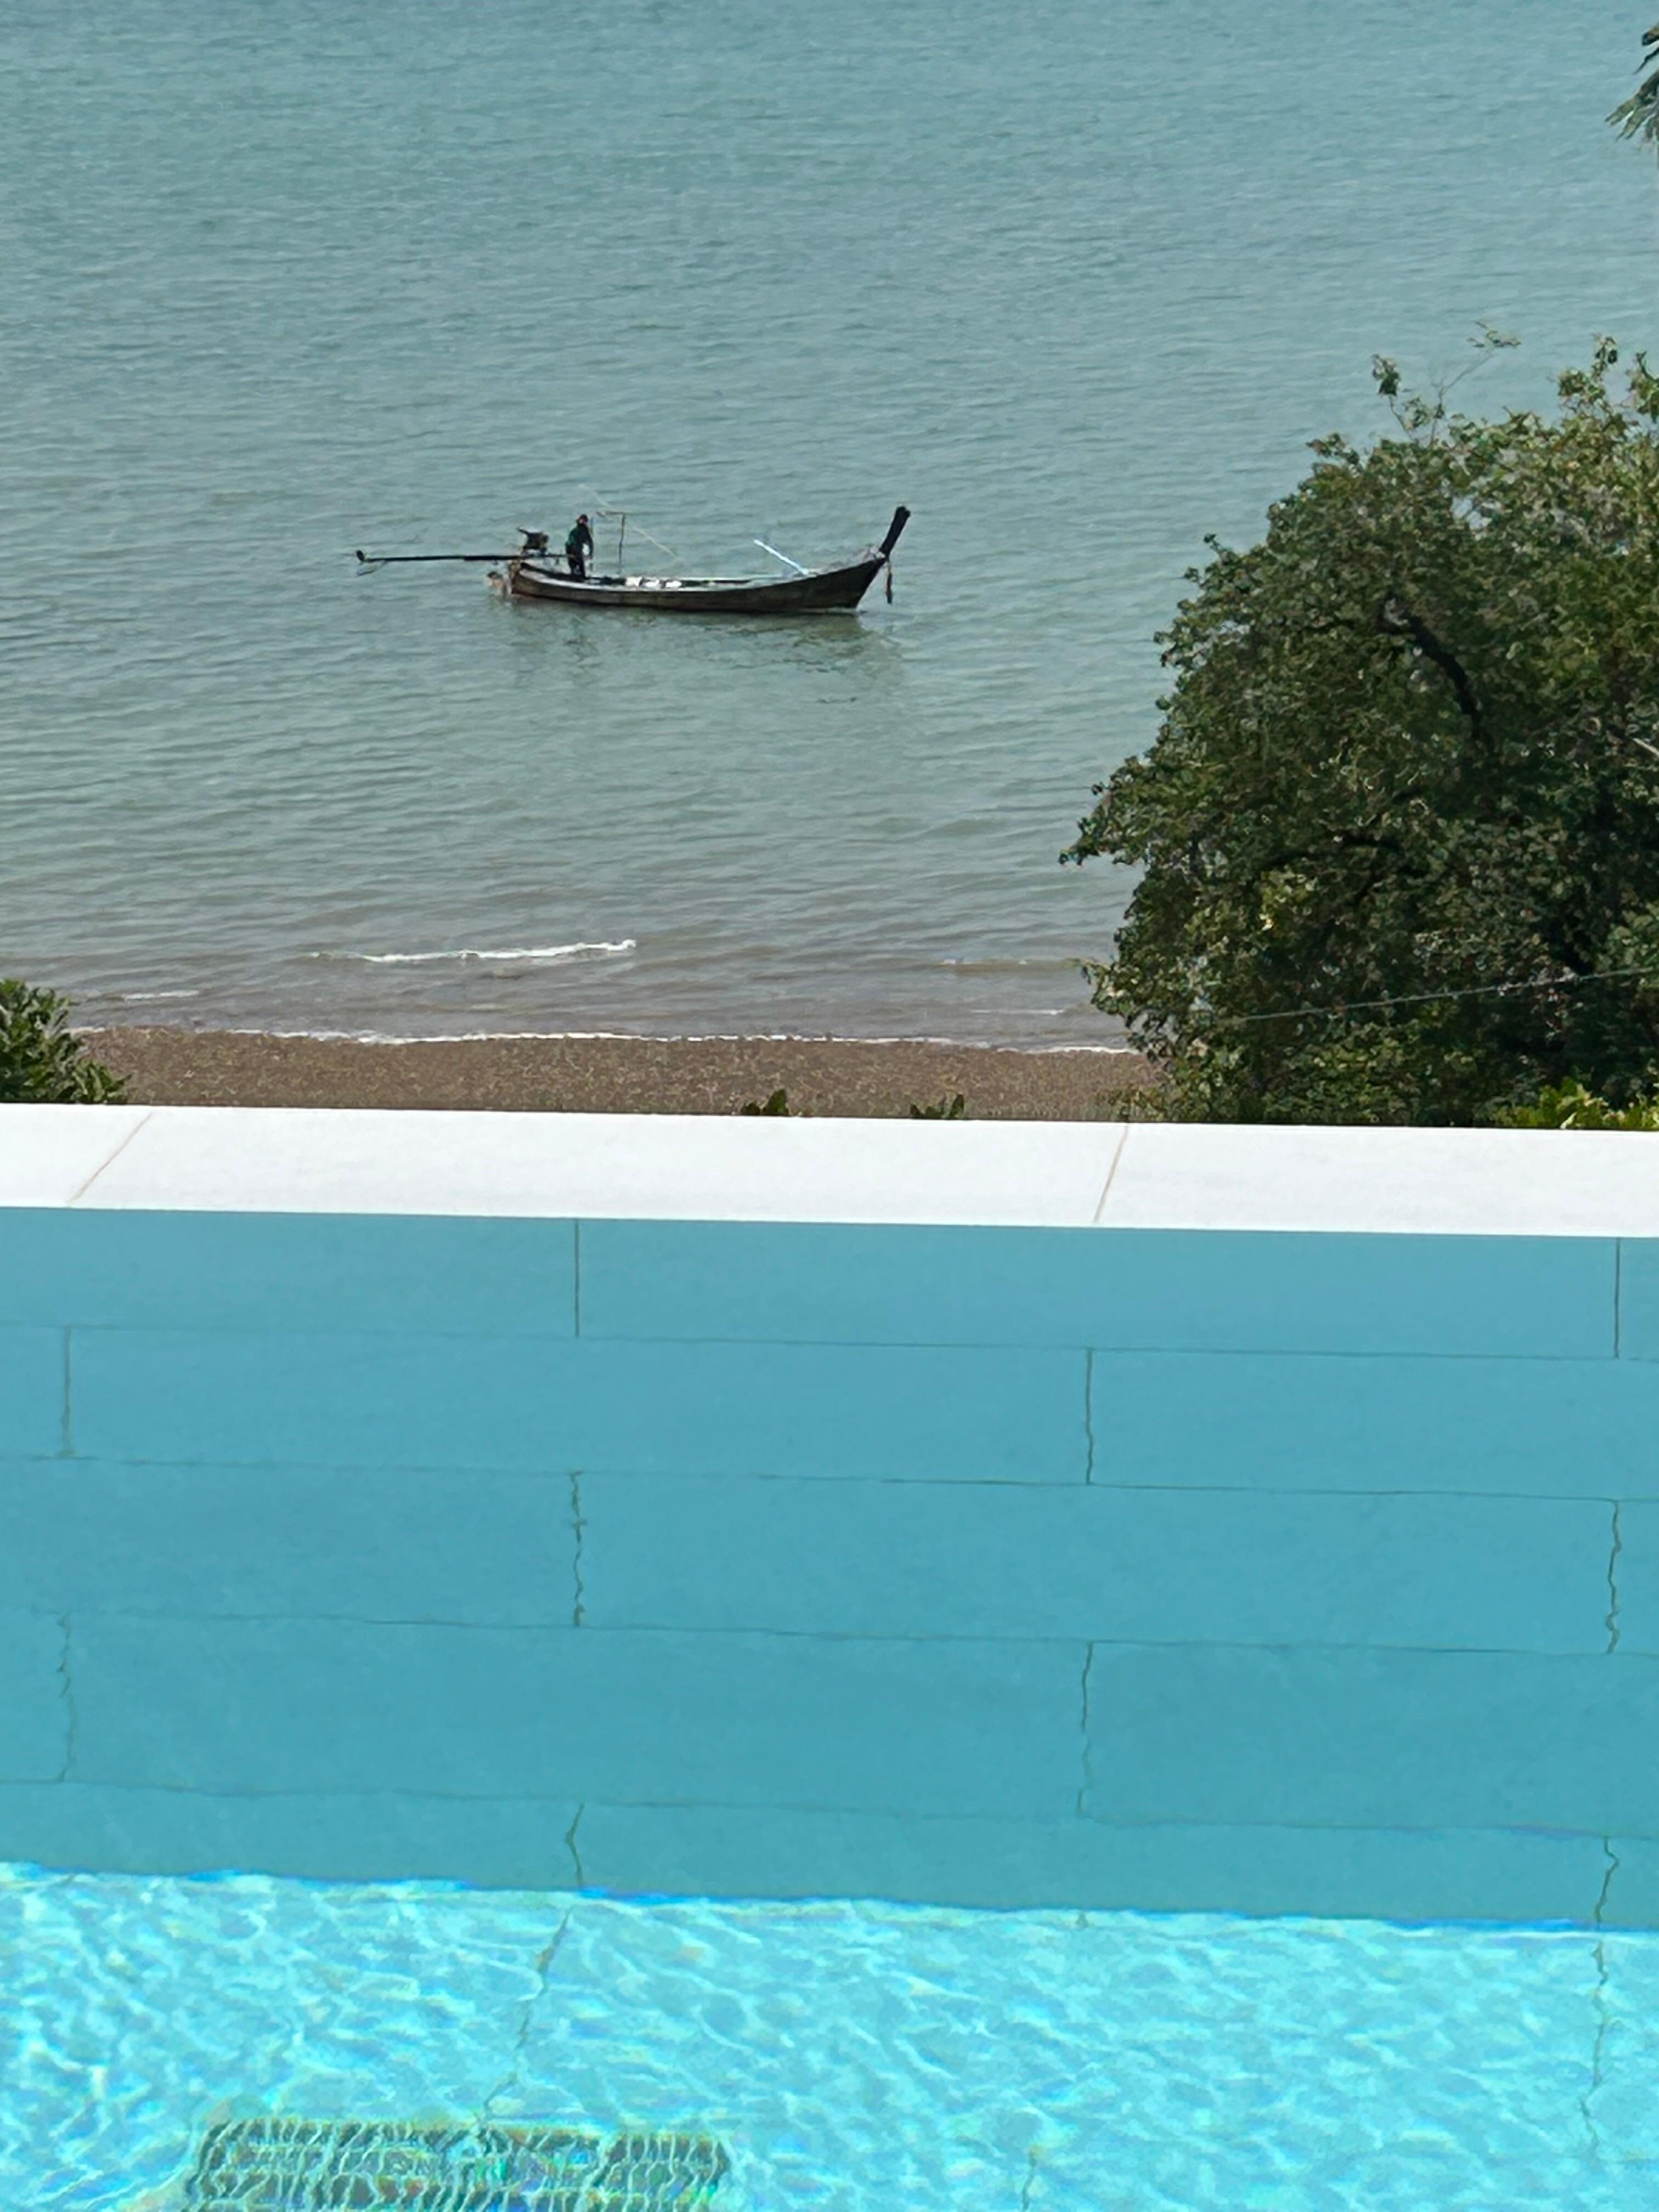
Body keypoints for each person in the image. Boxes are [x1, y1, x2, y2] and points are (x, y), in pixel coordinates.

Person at [565, 514, 594, 580]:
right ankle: (574, 576)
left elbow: (590, 542)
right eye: (582, 520)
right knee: (574, 564)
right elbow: (571, 542)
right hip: (571, 549)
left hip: (578, 550)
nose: (583, 522)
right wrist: (572, 551)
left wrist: (591, 552)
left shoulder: (585, 531)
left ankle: (581, 577)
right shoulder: (575, 531)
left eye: (584, 521)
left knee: (581, 566)